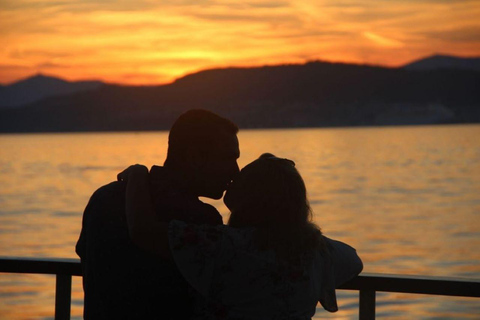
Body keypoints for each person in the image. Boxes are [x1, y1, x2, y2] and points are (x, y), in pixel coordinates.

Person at [118, 153, 363, 319]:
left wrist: (138, 175)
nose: (233, 176)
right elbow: (353, 260)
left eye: (242, 176)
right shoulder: (314, 250)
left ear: (251, 195)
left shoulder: (222, 244)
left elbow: (142, 230)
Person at [75, 109, 240, 319]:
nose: (235, 172)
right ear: (195, 157)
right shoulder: (201, 218)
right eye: (228, 158)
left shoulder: (104, 197)